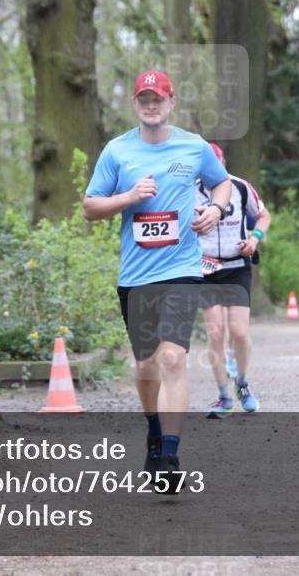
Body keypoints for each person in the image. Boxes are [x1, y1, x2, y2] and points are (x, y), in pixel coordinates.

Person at [83, 69, 231, 488]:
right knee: (147, 363)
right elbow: (90, 208)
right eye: (144, 98)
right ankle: (152, 428)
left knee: (173, 358)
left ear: (171, 102)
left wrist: (216, 210)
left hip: (182, 269)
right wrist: (129, 198)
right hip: (136, 275)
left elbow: (221, 185)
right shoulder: (117, 152)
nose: (151, 105)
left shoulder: (194, 146)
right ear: (136, 104)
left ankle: (169, 456)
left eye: (158, 98)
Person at [196, 143, 271, 417]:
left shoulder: (240, 187)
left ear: (223, 164)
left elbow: (263, 216)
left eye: (215, 165)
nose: (211, 172)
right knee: (216, 331)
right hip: (204, 270)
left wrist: (254, 239)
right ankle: (223, 396)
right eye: (205, 167)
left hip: (237, 266)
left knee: (239, 332)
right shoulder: (188, 191)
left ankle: (242, 382)